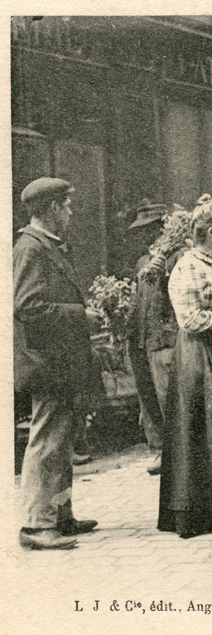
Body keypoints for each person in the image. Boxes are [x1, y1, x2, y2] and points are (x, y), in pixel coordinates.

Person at [13, 178, 102, 550]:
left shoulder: (46, 246)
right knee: (47, 440)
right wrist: (81, 315)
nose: (70, 212)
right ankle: (36, 525)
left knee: (61, 440)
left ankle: (60, 515)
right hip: (47, 362)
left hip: (60, 361)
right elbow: (26, 307)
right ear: (50, 209)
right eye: (66, 205)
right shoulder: (31, 248)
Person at [157, 208, 212, 538]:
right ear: (209, 233)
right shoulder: (187, 266)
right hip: (200, 355)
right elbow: (190, 320)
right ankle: (203, 512)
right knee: (206, 427)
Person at [127, 202, 178, 476]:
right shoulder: (143, 262)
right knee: (148, 399)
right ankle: (158, 448)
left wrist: (165, 271)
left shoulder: (177, 257)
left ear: (164, 227)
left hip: (164, 337)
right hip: (142, 338)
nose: (145, 234)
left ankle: (175, 451)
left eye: (150, 228)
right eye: (141, 230)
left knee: (167, 396)